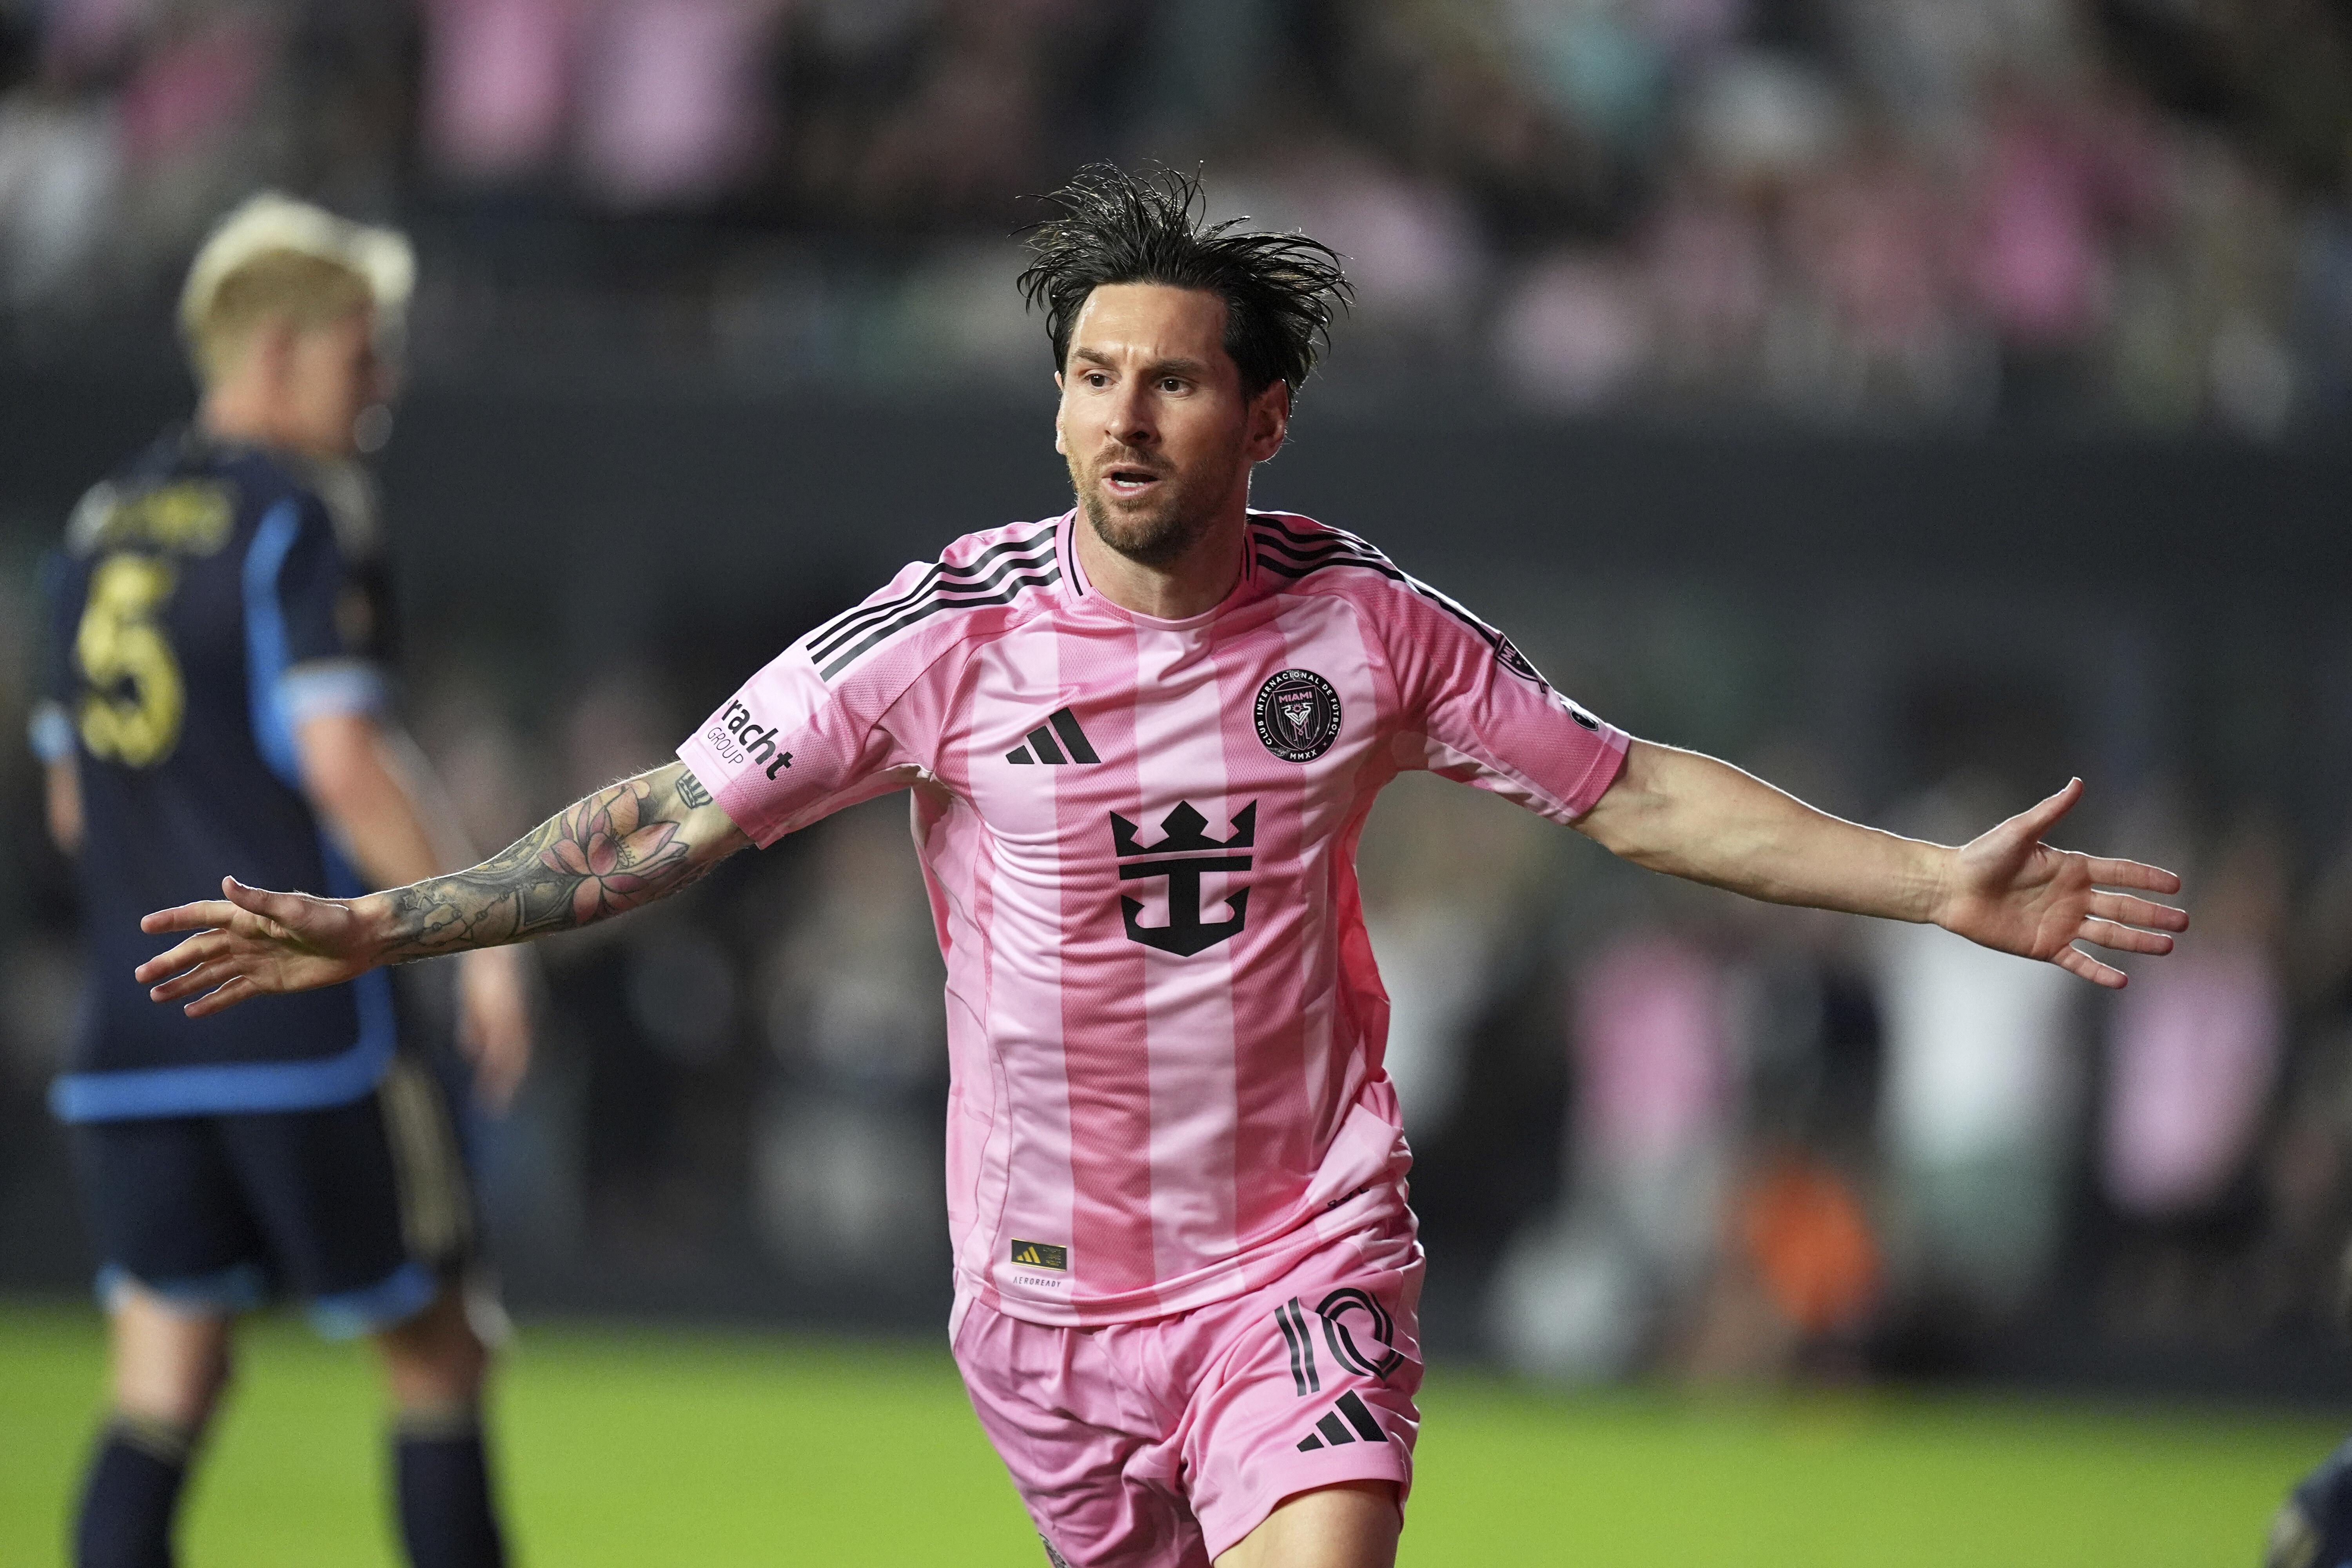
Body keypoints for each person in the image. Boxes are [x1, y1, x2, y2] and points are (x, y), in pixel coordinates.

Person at [132, 165, 2186, 1568]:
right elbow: (665, 819)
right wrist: (389, 922)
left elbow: (1631, 790)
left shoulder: (1366, 630)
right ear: (1056, 407)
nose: (1125, 417)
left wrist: (1933, 882)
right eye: (1095, 377)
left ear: (1261, 418)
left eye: (1175, 380)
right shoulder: (943, 638)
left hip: (1297, 1254)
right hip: (1042, 1305)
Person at [35, 193, 531, 1568]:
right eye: (363, 353)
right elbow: (342, 760)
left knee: (164, 1380)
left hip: (133, 1028)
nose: (384, 386)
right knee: (439, 1355)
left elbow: (75, 808)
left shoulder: (94, 528)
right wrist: (486, 937)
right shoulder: (297, 515)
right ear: (277, 350)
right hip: (306, 1027)